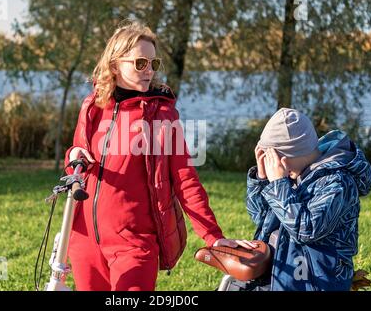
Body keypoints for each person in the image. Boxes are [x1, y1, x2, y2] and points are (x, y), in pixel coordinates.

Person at [63, 20, 256, 291]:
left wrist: (213, 236)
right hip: (84, 242)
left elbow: (185, 179)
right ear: (115, 64)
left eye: (153, 64)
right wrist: (74, 154)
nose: (148, 71)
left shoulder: (160, 116)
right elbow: (77, 160)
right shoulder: (92, 106)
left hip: (134, 244)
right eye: (140, 63)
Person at [244, 108, 371, 291]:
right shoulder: (293, 175)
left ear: (288, 156)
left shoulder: (338, 182)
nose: (273, 165)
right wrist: (262, 180)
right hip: (285, 274)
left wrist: (279, 185)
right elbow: (261, 218)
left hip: (319, 281)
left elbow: (307, 229)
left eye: (273, 158)